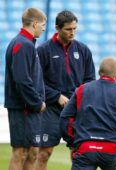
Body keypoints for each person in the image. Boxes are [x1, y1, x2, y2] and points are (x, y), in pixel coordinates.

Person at [59, 57, 116, 170]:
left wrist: (72, 143)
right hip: (110, 150)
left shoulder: (81, 90)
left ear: (99, 73)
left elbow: (65, 117)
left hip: (85, 148)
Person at [36, 10, 96, 169]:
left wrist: (78, 99)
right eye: (68, 29)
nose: (72, 32)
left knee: (78, 154)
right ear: (57, 28)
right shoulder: (43, 50)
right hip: (51, 109)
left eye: (75, 29)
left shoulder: (83, 50)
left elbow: (90, 80)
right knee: (43, 153)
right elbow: (37, 82)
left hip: (77, 110)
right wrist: (57, 96)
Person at [4, 7, 47, 170]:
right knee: (20, 152)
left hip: (28, 108)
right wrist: (37, 103)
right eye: (42, 24)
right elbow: (22, 81)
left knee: (32, 152)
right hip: (24, 108)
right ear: (34, 23)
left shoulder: (26, 44)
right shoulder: (22, 45)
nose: (43, 28)